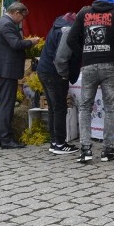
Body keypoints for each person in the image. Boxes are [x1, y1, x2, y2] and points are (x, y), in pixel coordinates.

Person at [68, 0, 114, 163]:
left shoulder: (84, 13)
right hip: (109, 66)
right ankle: (107, 150)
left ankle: (85, 150)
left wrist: (85, 55)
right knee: (110, 107)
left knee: (85, 107)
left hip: (88, 66)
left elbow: (71, 40)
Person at [0, 2, 40, 149]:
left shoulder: (1, 22)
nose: (22, 20)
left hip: (2, 70)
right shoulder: (7, 24)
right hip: (6, 70)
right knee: (6, 105)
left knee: (0, 104)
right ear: (17, 12)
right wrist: (31, 42)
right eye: (22, 17)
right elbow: (16, 44)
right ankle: (5, 139)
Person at [37, 11, 79, 155]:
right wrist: (64, 75)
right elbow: (60, 58)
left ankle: (55, 141)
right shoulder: (67, 30)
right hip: (54, 73)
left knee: (53, 108)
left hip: (44, 69)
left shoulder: (59, 24)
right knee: (60, 107)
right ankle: (60, 143)